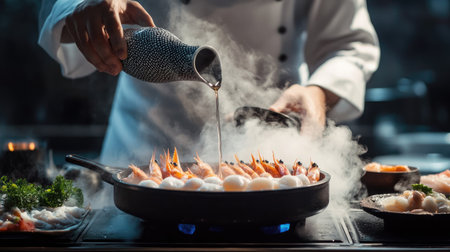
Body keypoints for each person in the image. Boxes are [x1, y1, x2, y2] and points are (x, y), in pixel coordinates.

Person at [39, 0, 379, 166]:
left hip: (276, 152)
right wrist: (82, 8)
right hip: (143, 151)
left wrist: (318, 93)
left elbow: (349, 43)